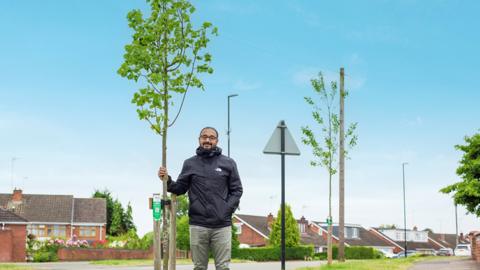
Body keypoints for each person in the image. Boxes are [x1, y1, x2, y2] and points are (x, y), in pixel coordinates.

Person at [158, 127, 243, 270]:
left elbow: (237, 190)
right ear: (199, 139)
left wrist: (226, 210)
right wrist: (167, 180)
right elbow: (180, 188)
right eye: (204, 137)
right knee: (199, 267)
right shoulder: (190, 163)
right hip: (198, 224)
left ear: (216, 141)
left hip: (222, 225)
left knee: (223, 267)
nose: (208, 140)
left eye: (211, 137)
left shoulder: (228, 163)